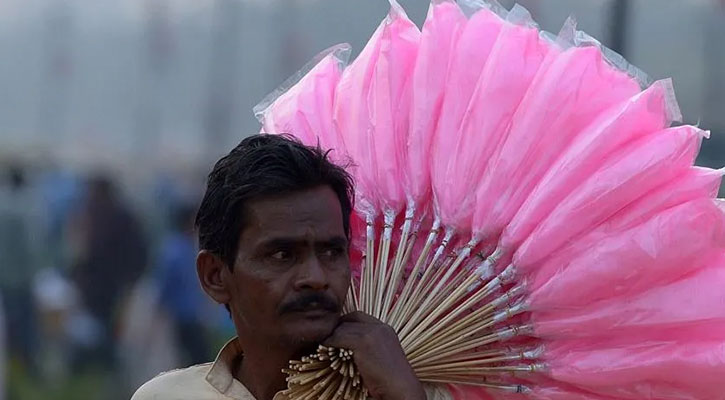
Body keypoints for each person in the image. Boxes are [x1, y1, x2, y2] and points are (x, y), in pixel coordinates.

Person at [131, 135, 450, 400]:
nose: (315, 278)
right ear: (215, 276)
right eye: (282, 255)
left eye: (331, 251)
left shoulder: (404, 391)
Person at [154, 202, 210, 366]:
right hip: (184, 315)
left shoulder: (181, 248)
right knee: (198, 360)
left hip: (189, 313)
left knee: (194, 358)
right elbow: (165, 285)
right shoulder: (176, 251)